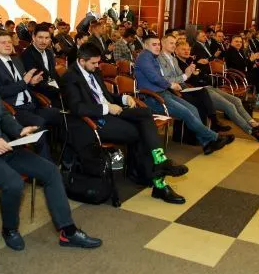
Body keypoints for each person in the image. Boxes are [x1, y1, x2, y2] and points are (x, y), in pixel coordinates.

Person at [0, 48, 102, 250]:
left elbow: (3, 115)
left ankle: (68, 231)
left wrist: (18, 130)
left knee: (51, 171)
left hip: (6, 145)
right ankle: (10, 229)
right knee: (14, 182)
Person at [62, 43, 189, 202]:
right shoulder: (69, 77)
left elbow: (106, 95)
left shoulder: (94, 71)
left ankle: (160, 163)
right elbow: (77, 108)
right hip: (93, 121)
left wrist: (124, 98)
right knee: (143, 132)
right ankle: (159, 182)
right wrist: (107, 108)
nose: (97, 66)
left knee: (145, 113)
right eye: (93, 63)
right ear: (82, 61)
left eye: (98, 62)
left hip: (111, 112)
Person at [135, 36, 233, 155]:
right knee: (186, 113)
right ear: (146, 46)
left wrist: (177, 80)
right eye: (153, 44)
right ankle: (215, 137)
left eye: (158, 44)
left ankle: (206, 144)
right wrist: (171, 85)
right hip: (153, 98)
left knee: (193, 109)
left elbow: (160, 77)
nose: (157, 47)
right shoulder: (145, 57)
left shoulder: (152, 57)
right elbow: (154, 77)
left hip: (163, 93)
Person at [174, 40, 259, 141]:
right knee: (229, 106)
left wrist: (198, 72)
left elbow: (204, 74)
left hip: (206, 87)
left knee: (237, 101)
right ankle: (252, 131)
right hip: (198, 91)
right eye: (183, 49)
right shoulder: (176, 63)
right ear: (176, 51)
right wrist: (195, 74)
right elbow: (186, 81)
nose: (186, 51)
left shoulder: (190, 61)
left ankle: (255, 124)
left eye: (188, 49)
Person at [0, 31, 62, 161]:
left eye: (9, 42)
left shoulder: (16, 60)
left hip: (32, 104)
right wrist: (24, 82)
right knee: (39, 123)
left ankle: (65, 158)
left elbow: (25, 83)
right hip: (14, 109)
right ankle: (45, 165)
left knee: (61, 115)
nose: (8, 45)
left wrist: (31, 82)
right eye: (3, 42)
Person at [159, 34, 230, 133]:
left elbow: (181, 76)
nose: (174, 45)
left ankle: (213, 123)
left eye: (174, 43)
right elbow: (168, 79)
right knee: (199, 103)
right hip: (171, 90)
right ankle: (209, 130)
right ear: (163, 43)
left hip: (182, 87)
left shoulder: (173, 59)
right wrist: (186, 75)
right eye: (171, 43)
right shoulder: (159, 58)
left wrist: (188, 73)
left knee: (203, 92)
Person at [225, 35, 259, 111]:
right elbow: (239, 65)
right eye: (236, 41)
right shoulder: (230, 51)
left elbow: (246, 64)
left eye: (240, 42)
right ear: (231, 42)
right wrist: (251, 59)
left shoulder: (240, 51)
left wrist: (252, 63)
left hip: (243, 73)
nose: (239, 43)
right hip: (237, 76)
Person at [20, 23, 62, 106]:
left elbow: (53, 73)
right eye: (40, 37)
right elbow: (37, 83)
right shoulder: (27, 54)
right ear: (33, 37)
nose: (43, 41)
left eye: (47, 38)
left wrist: (63, 86)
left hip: (54, 89)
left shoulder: (49, 52)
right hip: (41, 95)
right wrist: (59, 91)